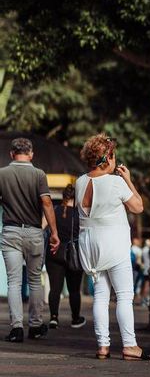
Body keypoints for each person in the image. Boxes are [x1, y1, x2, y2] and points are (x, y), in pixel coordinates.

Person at [75, 134, 150, 360]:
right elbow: (138, 207)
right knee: (125, 295)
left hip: (90, 246)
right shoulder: (115, 182)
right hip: (114, 244)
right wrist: (128, 180)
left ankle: (103, 346)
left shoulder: (80, 182)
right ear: (107, 158)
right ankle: (129, 345)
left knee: (100, 296)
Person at [0, 137, 60, 343]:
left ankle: (16, 328)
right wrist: (54, 232)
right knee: (35, 280)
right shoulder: (39, 174)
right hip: (34, 232)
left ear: (11, 154)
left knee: (14, 282)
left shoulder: (2, 174)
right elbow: (46, 203)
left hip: (10, 232)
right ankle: (35, 325)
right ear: (31, 154)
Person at [46, 184, 86, 329]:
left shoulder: (54, 211)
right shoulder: (79, 214)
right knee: (74, 289)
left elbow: (42, 226)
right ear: (76, 198)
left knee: (55, 288)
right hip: (73, 254)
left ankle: (53, 318)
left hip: (54, 252)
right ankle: (75, 319)